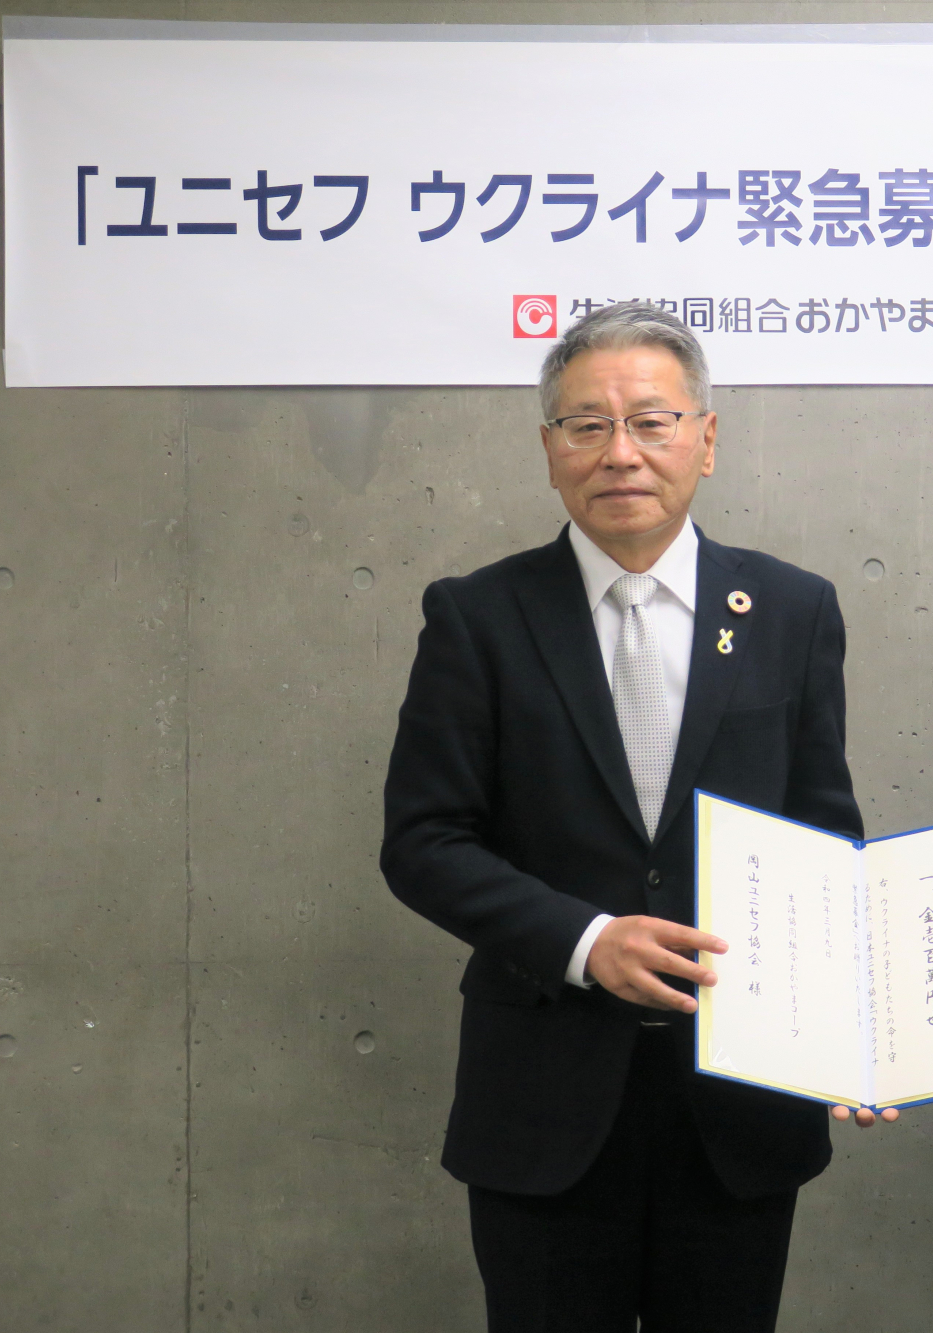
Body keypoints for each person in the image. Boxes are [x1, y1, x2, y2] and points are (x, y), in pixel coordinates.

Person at [379, 301, 863, 1333]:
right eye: (586, 425)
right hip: (543, 1099)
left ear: (706, 439)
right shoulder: (479, 616)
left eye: (650, 421)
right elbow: (423, 842)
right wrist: (586, 940)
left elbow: (824, 839)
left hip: (739, 1101)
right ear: (549, 449)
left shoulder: (792, 610)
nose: (620, 452)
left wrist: (850, 1028)